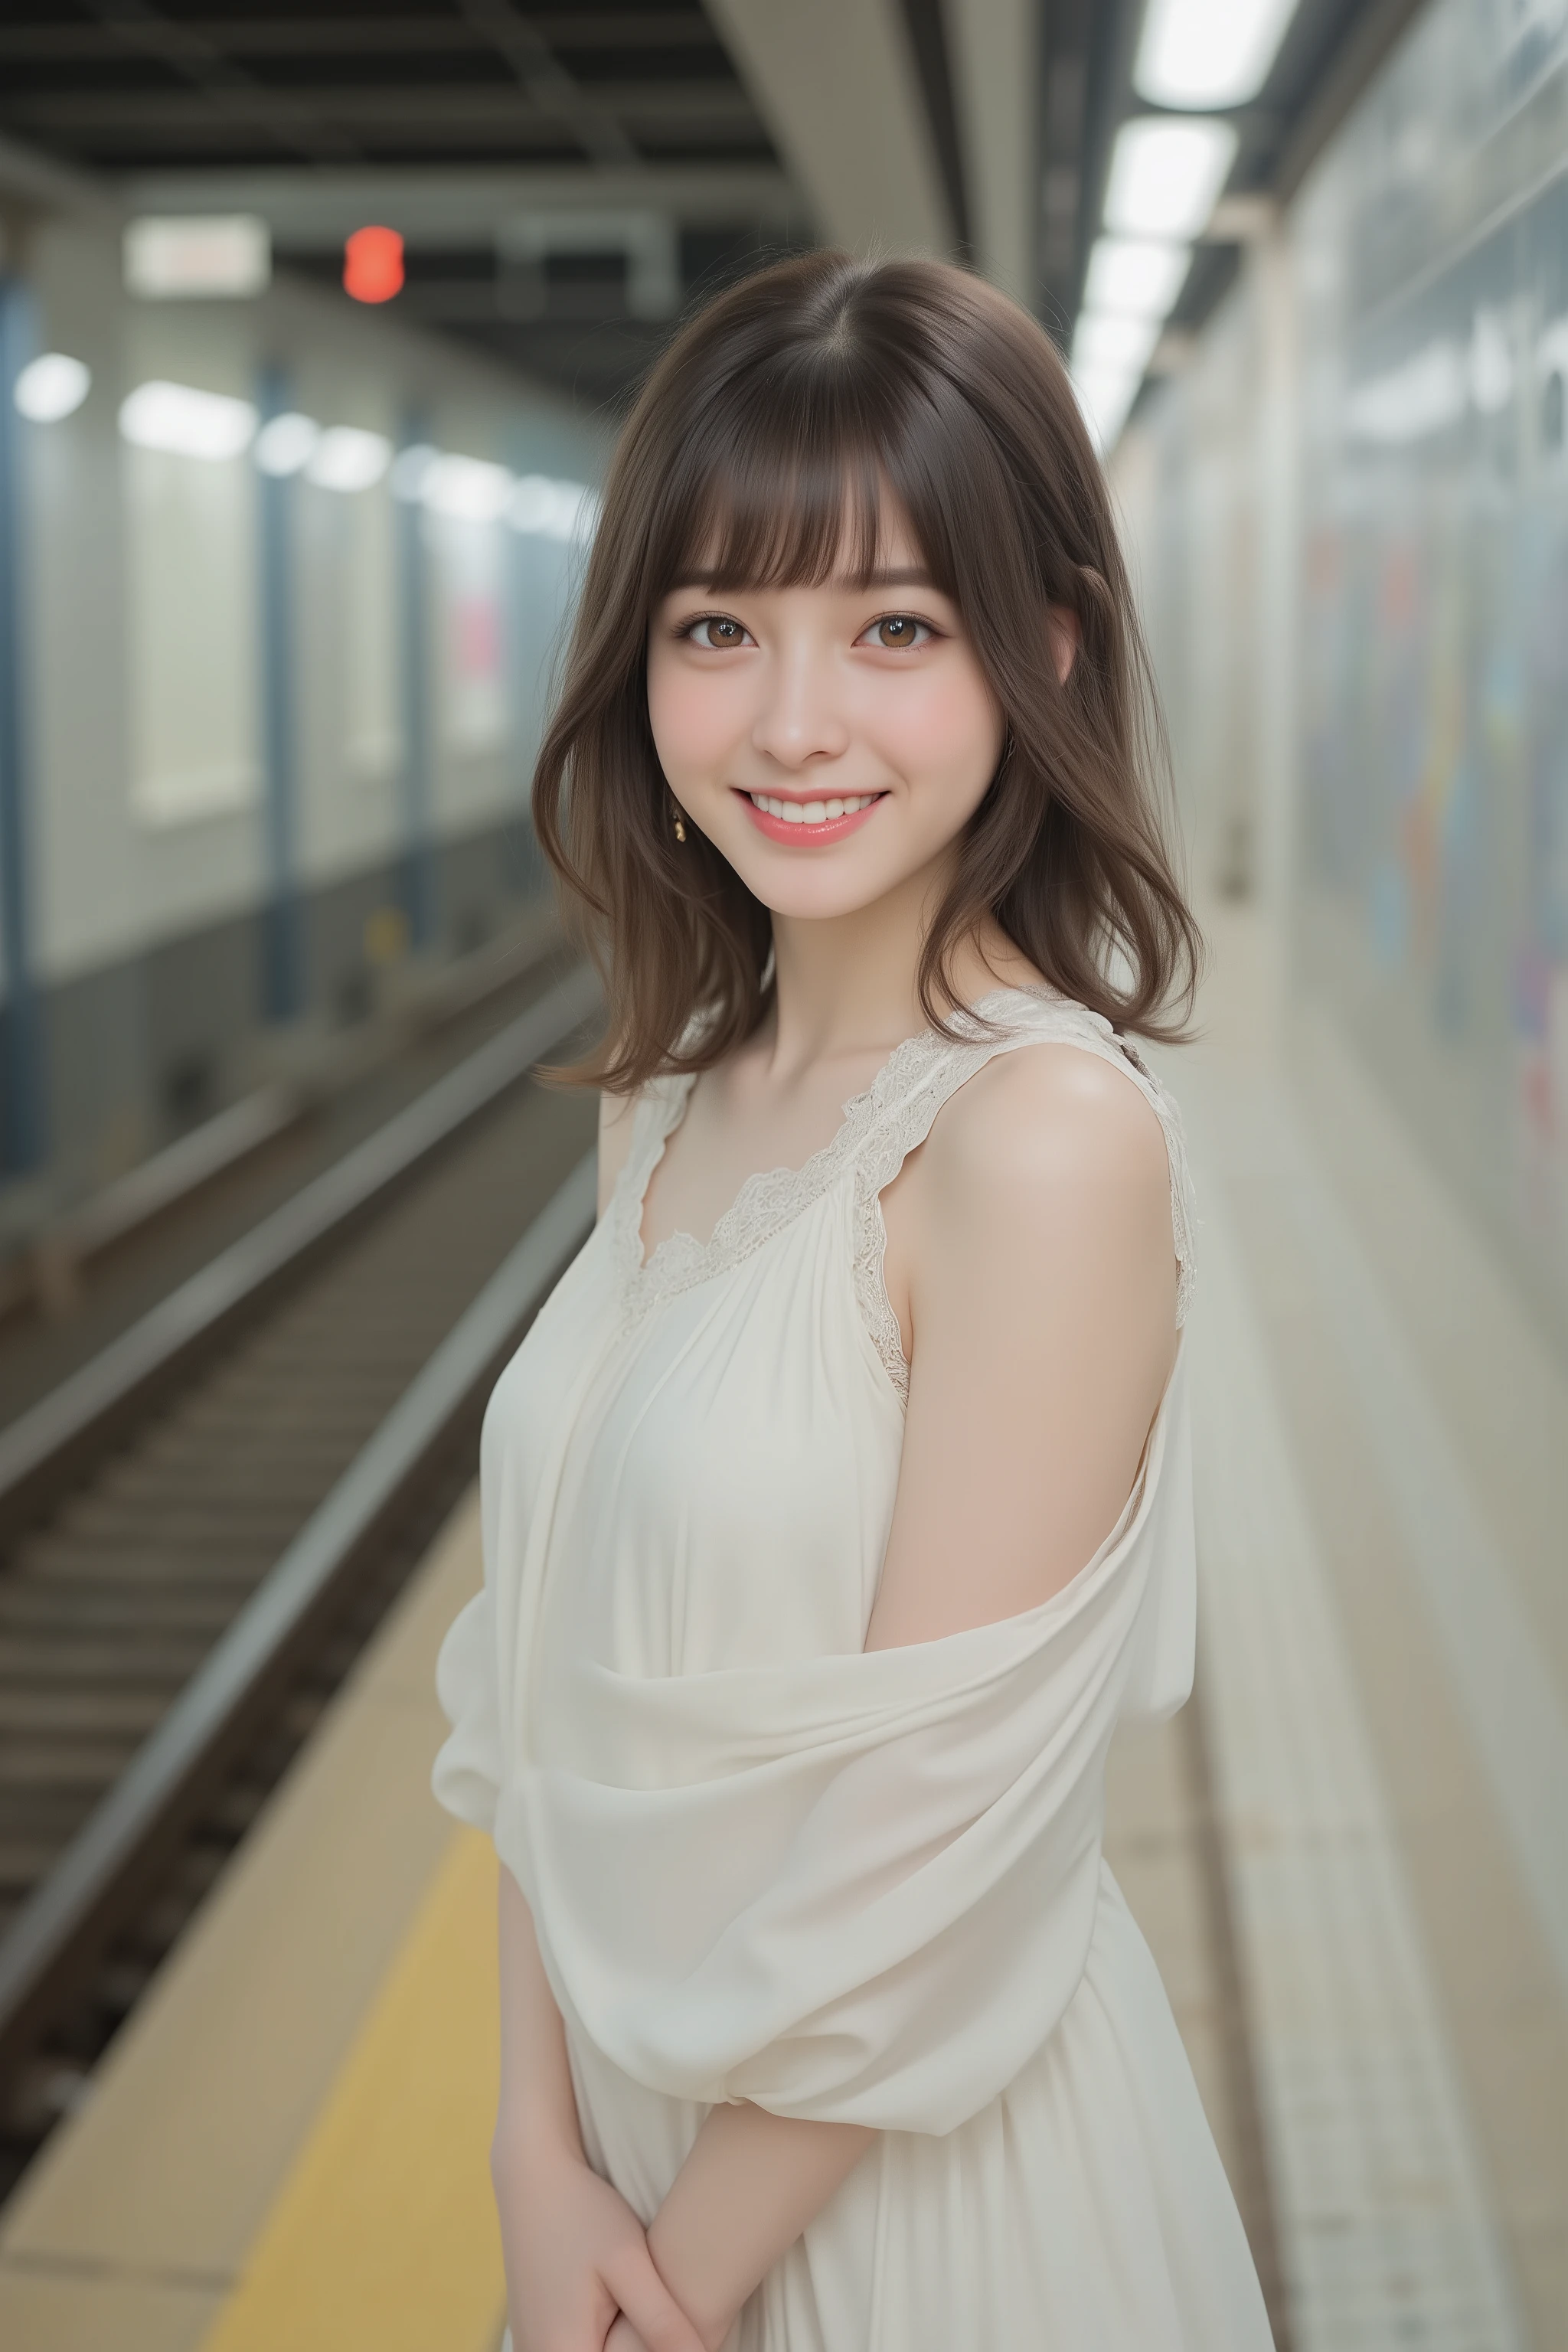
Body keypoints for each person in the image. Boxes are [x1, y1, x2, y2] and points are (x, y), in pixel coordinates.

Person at [433, 250, 1272, 2352]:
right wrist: (531, 2154)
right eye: (718, 626)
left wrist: (667, 2290)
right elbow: (542, 1702)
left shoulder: (1043, 1143)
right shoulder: (669, 1103)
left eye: (894, 627)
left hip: (912, 2221)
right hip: (613, 2189)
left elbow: (940, 1843)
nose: (792, 720)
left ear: (1042, 647)